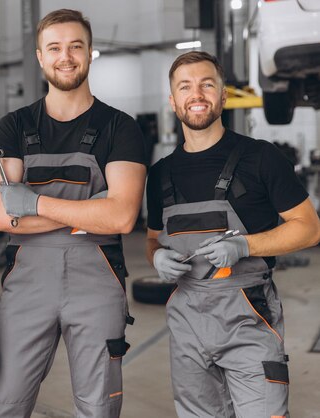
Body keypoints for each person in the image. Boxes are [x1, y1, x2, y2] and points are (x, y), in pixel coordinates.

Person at [0, 9, 147, 417]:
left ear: (91, 53)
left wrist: (35, 203)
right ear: (40, 57)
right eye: (54, 47)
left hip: (98, 285)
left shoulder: (119, 127)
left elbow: (124, 218)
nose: (66, 56)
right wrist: (94, 208)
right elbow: (4, 218)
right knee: (3, 405)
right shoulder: (14, 127)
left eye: (76, 46)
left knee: (98, 409)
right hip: (26, 286)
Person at [146, 51, 320, 418]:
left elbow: (309, 228)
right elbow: (151, 238)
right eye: (185, 87)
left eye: (207, 84)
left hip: (248, 318)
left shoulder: (261, 158)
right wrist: (156, 256)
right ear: (173, 100)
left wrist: (245, 245)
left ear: (224, 96)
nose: (197, 94)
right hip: (187, 324)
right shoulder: (160, 174)